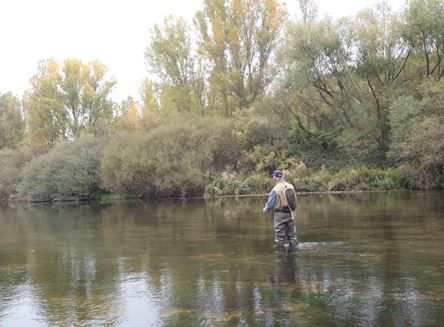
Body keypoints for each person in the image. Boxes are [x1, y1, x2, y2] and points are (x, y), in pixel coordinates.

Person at [263, 169, 298, 253]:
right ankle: (294, 253)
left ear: (274, 177)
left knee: (279, 236)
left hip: (280, 214)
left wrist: (265, 209)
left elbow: (270, 205)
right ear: (282, 176)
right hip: (290, 213)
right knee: (292, 235)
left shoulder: (275, 189)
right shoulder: (291, 186)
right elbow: (295, 200)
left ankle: (280, 255)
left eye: (273, 176)